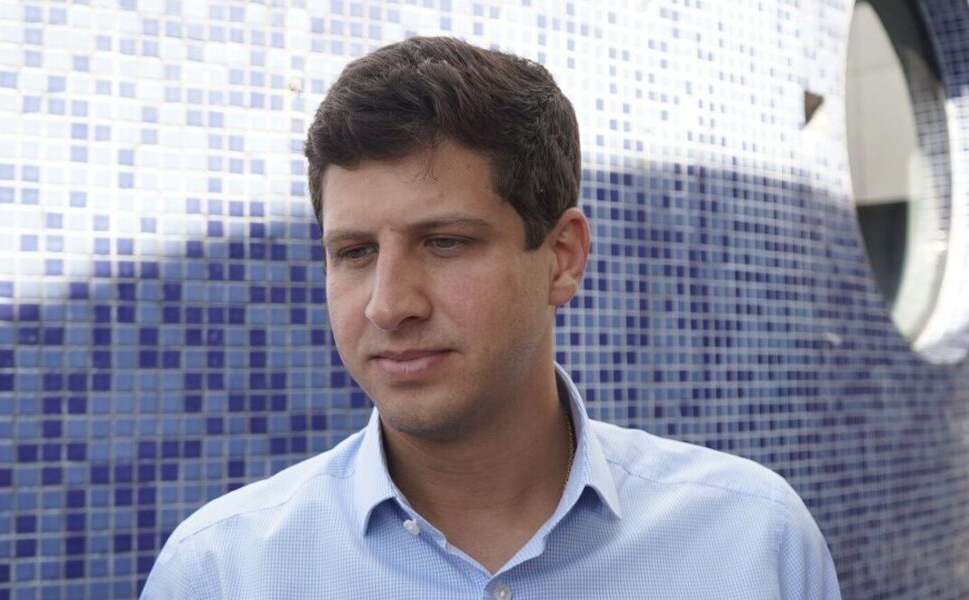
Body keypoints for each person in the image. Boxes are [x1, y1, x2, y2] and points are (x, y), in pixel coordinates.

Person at [141, 36, 841, 599]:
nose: (388, 305)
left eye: (444, 242)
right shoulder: (221, 572)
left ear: (562, 258)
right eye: (354, 252)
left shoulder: (753, 543)